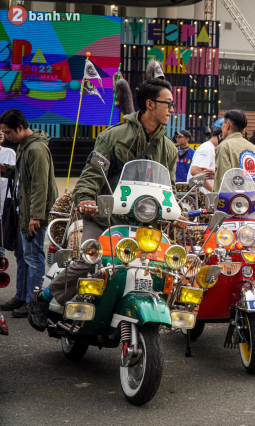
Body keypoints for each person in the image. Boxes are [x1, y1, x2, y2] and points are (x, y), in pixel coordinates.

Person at [28, 78, 187, 331]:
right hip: (104, 218)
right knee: (90, 259)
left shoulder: (168, 148)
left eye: (172, 104)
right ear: (149, 104)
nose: (171, 109)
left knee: (171, 263)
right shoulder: (113, 136)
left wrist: (179, 211)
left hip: (144, 222)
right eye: (167, 103)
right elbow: (90, 176)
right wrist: (86, 200)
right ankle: (43, 299)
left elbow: (169, 188)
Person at [0, 109, 57, 319]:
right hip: (23, 211)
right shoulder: (24, 146)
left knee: (34, 258)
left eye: (8, 133)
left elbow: (40, 186)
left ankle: (34, 302)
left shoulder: (36, 150)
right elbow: (22, 174)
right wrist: (5, 170)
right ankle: (21, 297)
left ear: (21, 128)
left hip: (33, 215)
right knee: (23, 256)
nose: (7, 137)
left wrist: (35, 217)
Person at [213, 110, 255, 192]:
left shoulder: (224, 146)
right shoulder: (253, 148)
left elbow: (224, 180)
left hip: (232, 201)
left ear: (228, 125)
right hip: (252, 200)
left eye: (222, 124)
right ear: (243, 130)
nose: (222, 128)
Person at [188, 125, 220, 193]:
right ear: (220, 136)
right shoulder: (207, 148)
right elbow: (195, 171)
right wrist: (214, 191)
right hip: (201, 197)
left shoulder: (211, 148)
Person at [0, 131, 16, 216]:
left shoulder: (10, 152)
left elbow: (16, 175)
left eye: (2, 132)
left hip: (6, 196)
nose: (1, 134)